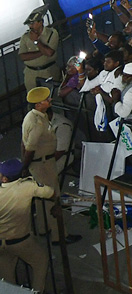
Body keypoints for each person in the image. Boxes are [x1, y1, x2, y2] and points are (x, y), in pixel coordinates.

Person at [21, 85, 77, 243]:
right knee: (52, 198)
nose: (50, 100)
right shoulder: (38, 124)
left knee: (40, 199)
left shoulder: (32, 116)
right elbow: (30, 149)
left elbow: (23, 144)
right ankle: (59, 236)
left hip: (39, 163)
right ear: (38, 104)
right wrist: (24, 168)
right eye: (46, 99)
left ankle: (43, 228)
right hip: (43, 164)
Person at [0, 158, 55, 291]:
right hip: (20, 241)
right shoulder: (27, 187)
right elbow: (50, 192)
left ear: (5, 179)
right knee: (41, 262)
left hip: (1, 242)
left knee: (7, 276)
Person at [19, 8, 61, 91]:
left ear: (40, 22)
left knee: (51, 96)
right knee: (33, 97)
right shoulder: (25, 37)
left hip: (48, 71)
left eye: (32, 24)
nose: (30, 26)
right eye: (29, 24)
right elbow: (22, 56)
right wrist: (42, 52)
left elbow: (49, 53)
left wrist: (36, 41)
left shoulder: (52, 33)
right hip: (31, 73)